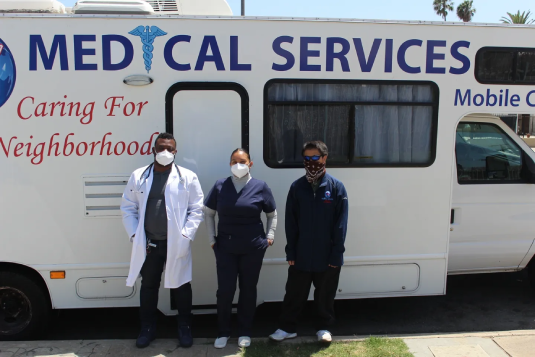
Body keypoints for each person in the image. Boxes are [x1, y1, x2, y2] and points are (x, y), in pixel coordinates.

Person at [121, 132, 204, 349]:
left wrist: (186, 235)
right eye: (161, 148)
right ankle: (147, 329)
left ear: (175, 152)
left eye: (169, 148)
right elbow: (128, 207)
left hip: (176, 243)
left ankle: (184, 327)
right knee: (148, 287)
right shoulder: (139, 176)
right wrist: (133, 234)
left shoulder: (187, 176)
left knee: (182, 287)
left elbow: (196, 209)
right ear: (153, 150)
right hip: (149, 244)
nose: (165, 152)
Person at [269, 140, 348, 343]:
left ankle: (323, 328)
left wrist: (337, 253)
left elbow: (341, 224)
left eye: (315, 158)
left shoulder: (336, 187)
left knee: (325, 295)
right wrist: (291, 252)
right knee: (294, 294)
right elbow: (291, 223)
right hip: (302, 253)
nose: (311, 162)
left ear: (324, 158)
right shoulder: (297, 188)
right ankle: (287, 327)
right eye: (307, 158)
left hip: (327, 254)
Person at [204, 148, 277, 349]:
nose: (238, 165)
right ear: (229, 163)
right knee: (225, 291)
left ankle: (245, 331)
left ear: (250, 163)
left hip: (253, 248)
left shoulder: (260, 187)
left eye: (243, 161)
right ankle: (223, 332)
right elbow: (208, 213)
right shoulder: (220, 186)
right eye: (234, 161)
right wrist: (212, 239)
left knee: (248, 290)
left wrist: (269, 237)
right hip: (225, 248)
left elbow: (272, 214)